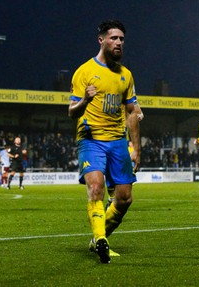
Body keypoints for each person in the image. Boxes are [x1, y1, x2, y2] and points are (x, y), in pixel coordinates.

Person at [68, 20, 141, 264]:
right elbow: (72, 112)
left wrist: (136, 148)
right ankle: (101, 240)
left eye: (122, 39)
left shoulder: (126, 75)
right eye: (114, 38)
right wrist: (85, 102)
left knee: (124, 198)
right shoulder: (85, 72)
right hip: (91, 140)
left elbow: (132, 112)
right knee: (97, 188)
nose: (119, 42)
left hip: (118, 142)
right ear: (101, 40)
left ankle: (98, 239)